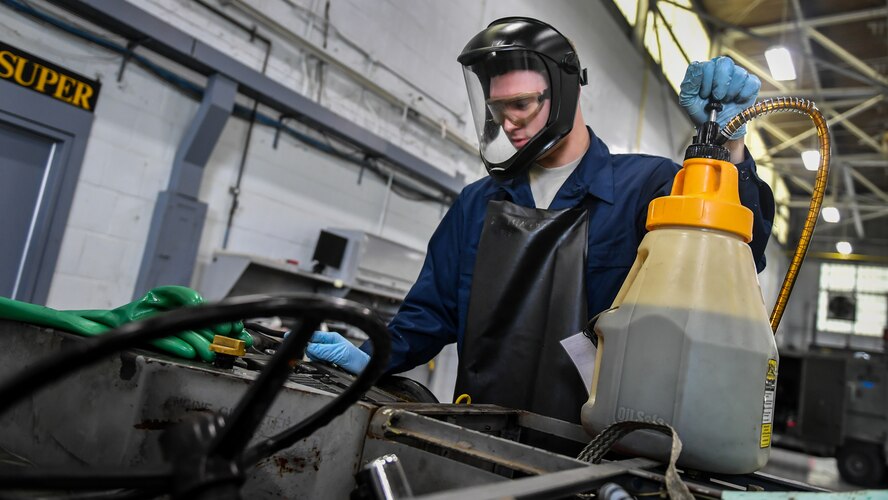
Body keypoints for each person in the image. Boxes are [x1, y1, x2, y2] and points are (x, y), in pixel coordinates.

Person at [306, 17, 774, 424]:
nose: (508, 123)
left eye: (522, 105)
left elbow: (738, 253)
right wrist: (368, 353)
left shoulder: (646, 188)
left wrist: (727, 148)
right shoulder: (476, 205)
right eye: (497, 109)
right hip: (475, 431)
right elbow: (428, 317)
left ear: (566, 92)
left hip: (600, 446)